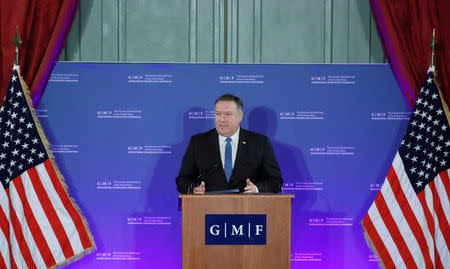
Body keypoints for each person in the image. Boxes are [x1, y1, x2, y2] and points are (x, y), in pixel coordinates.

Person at [176, 94, 283, 194]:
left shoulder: (259, 143)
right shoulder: (198, 142)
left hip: (248, 210)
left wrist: (256, 189)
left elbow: (276, 181)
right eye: (218, 114)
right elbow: (182, 180)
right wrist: (194, 189)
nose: (221, 119)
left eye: (228, 114)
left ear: (240, 117)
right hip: (208, 209)